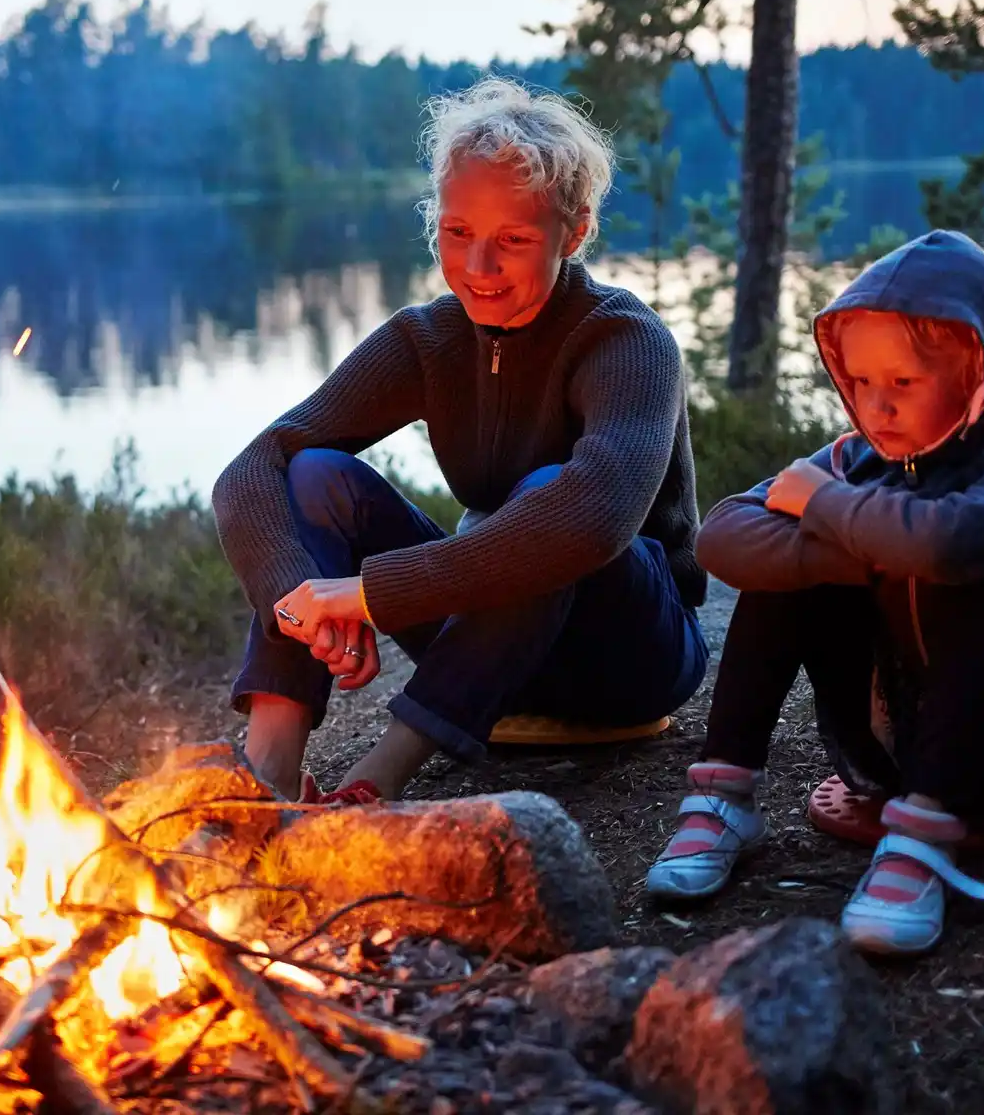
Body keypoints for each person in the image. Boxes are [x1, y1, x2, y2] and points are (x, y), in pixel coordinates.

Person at [211, 77, 709, 804]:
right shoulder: (428, 340)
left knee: (550, 495)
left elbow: (593, 517)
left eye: (513, 240)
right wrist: (300, 599)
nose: (479, 268)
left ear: (574, 233)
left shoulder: (625, 340)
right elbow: (254, 467)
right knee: (316, 473)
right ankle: (268, 773)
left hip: (628, 656)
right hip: (493, 649)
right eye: (457, 233)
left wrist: (371, 594)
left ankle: (373, 784)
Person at [644, 229, 984, 956]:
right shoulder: (853, 459)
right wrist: (864, 544)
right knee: (786, 574)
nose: (875, 407)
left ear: (977, 373)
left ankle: (925, 841)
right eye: (860, 383)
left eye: (902, 383)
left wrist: (829, 512)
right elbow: (722, 536)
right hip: (888, 742)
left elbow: (947, 544)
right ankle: (724, 797)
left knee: (966, 571)